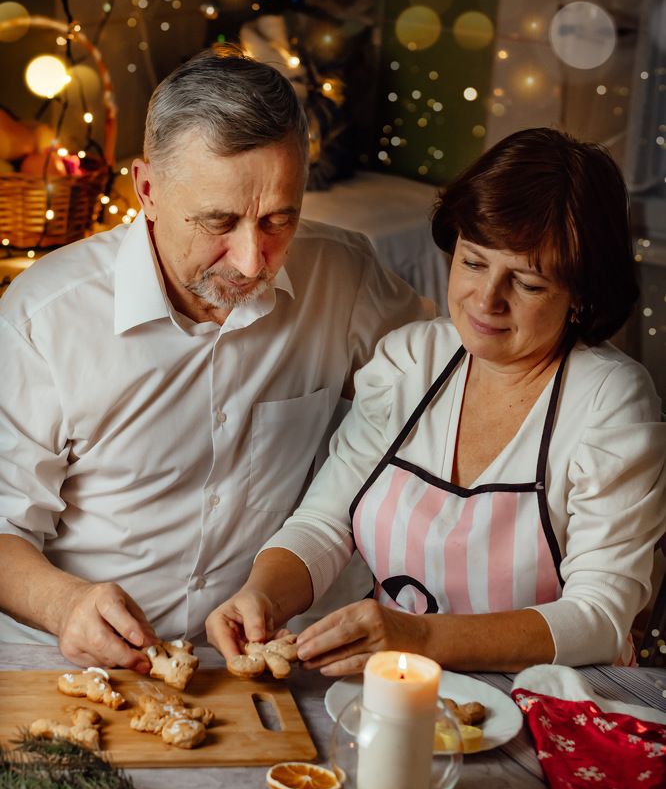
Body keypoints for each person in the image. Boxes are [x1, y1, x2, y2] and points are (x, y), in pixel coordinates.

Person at [0, 46, 429, 671]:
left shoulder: (345, 276)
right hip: (71, 660)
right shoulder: (42, 318)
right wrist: (65, 606)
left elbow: (458, 382)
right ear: (148, 189)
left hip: (269, 660)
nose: (252, 261)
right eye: (218, 221)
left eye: (279, 220)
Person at [210, 127, 666, 674]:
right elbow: (325, 523)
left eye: (527, 283)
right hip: (396, 687)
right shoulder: (411, 361)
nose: (487, 299)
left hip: (548, 703)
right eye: (473, 262)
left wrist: (419, 636)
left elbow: (601, 618)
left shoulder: (608, 402)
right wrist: (262, 595)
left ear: (581, 296)